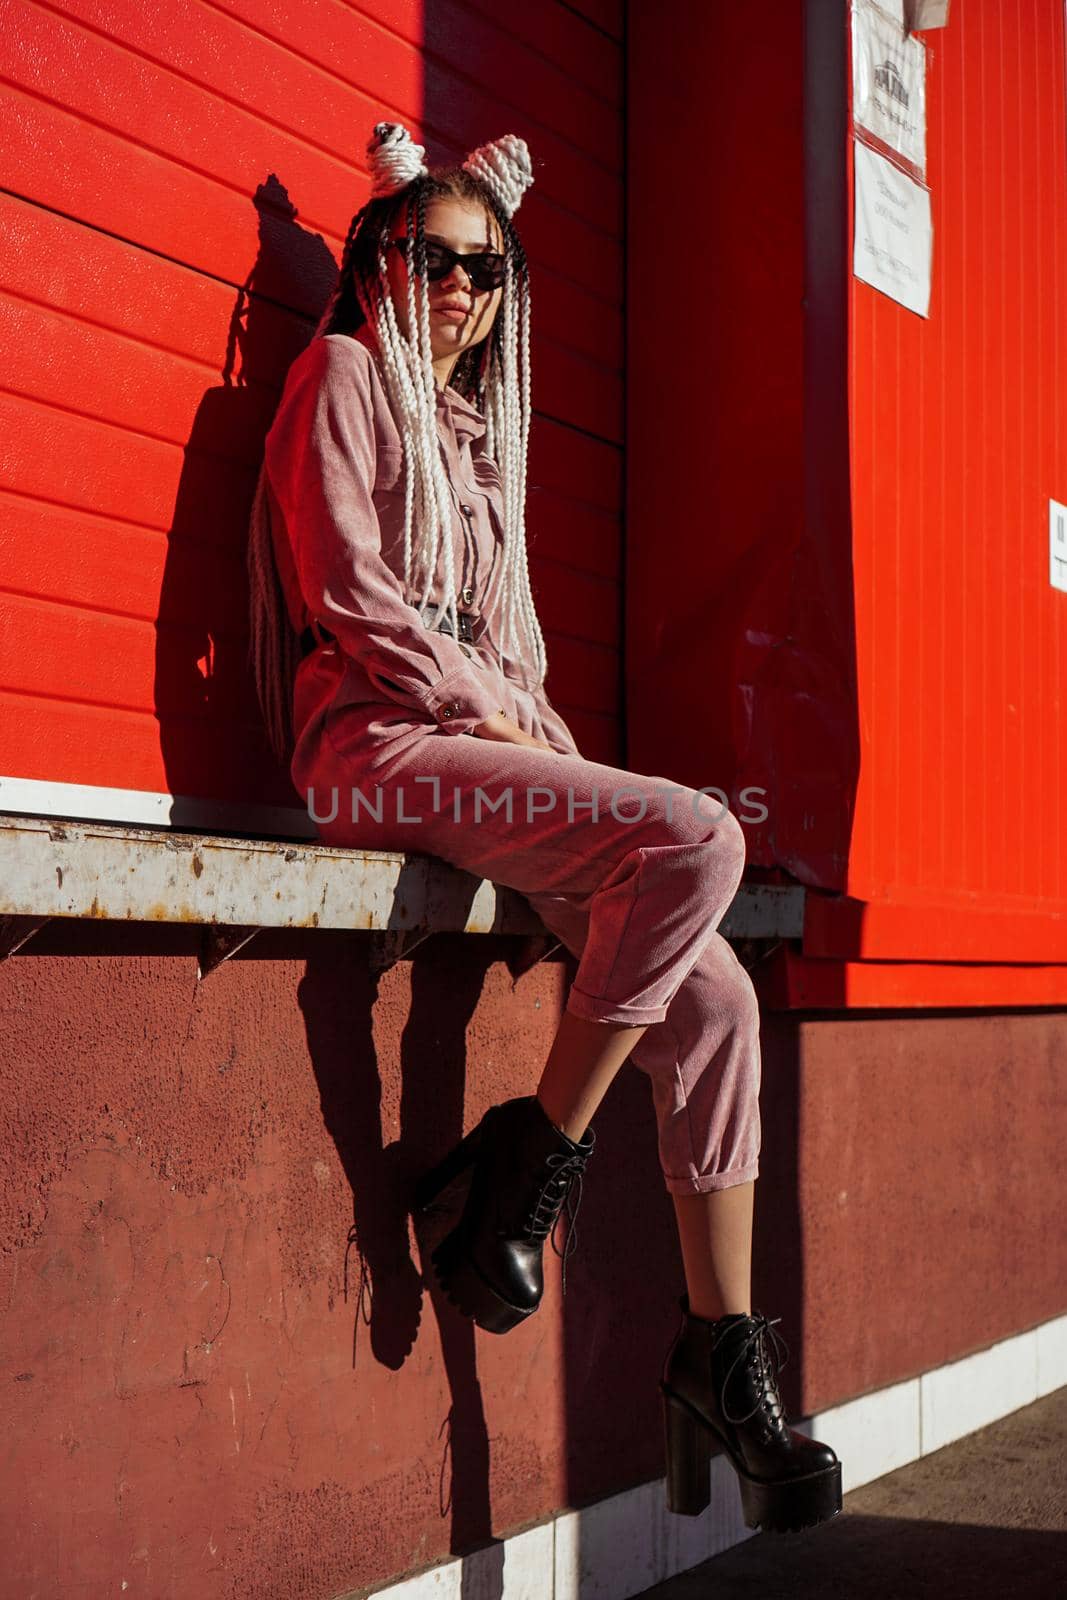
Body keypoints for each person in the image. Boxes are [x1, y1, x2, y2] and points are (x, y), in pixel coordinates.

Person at [245, 120, 841, 1533]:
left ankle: (721, 1347)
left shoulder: (479, 442)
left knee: (716, 1009)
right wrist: (488, 708)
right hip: (377, 745)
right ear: (380, 262)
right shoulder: (337, 377)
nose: (458, 289)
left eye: (484, 269)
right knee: (703, 841)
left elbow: (507, 655)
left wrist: (537, 737)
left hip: (468, 747)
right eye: (431, 259)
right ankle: (530, 1170)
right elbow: (345, 592)